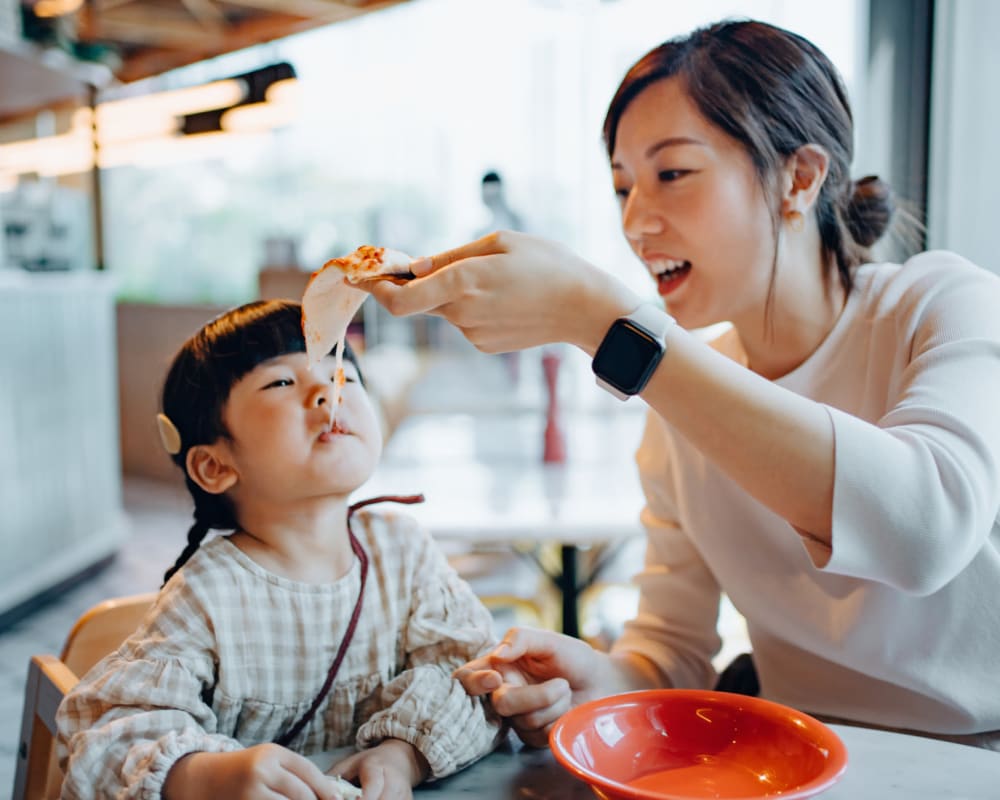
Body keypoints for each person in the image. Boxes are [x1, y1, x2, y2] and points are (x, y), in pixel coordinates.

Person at [365, 19, 1000, 751]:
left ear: (799, 177)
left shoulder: (942, 304)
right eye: (622, 187)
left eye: (672, 174)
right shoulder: (679, 398)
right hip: (798, 760)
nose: (636, 221)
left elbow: (922, 529)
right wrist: (591, 677)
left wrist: (602, 321)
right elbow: (671, 651)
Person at [56, 300, 503, 798]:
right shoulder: (209, 593)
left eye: (344, 375)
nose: (326, 391)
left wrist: (405, 755)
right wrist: (205, 777)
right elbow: (102, 737)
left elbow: (474, 677)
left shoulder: (403, 549)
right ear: (214, 466)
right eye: (281, 383)